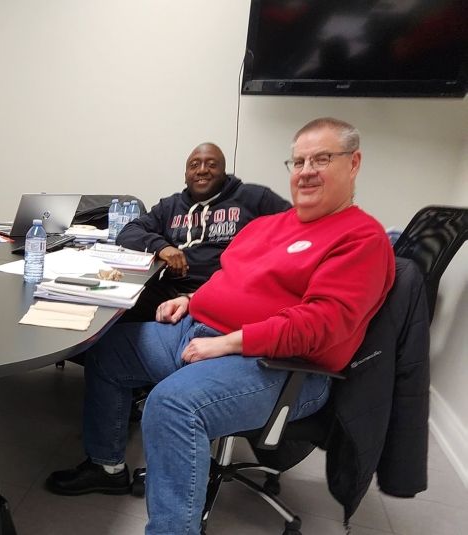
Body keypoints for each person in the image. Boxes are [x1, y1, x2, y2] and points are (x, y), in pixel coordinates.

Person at [46, 118, 396, 535]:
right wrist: (191, 299)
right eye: (298, 160)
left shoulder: (361, 238)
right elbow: (227, 277)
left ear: (353, 163)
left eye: (322, 158)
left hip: (279, 365)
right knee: (106, 349)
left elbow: (322, 324)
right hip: (200, 331)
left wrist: (233, 342)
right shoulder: (269, 225)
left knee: (172, 405)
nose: (306, 171)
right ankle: (107, 466)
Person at [117, 143, 290, 321]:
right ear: (185, 176)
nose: (202, 170)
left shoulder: (253, 197)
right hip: (173, 289)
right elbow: (127, 233)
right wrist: (162, 248)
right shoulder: (170, 206)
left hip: (228, 292)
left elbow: (296, 227)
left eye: (211, 164)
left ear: (224, 172)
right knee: (117, 314)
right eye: (194, 165)